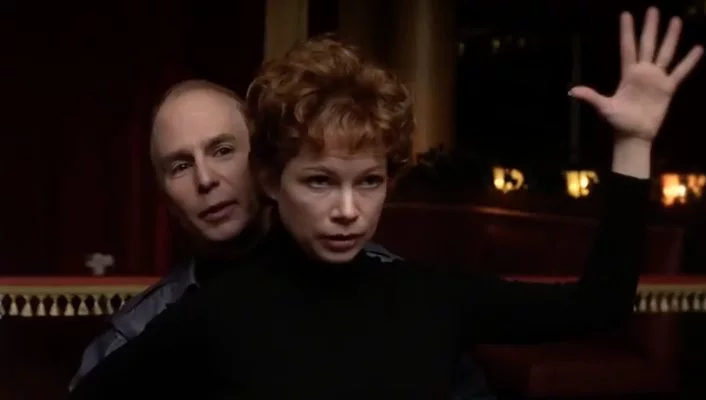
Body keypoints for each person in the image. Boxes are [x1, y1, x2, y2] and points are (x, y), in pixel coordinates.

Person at [70, 7, 702, 399]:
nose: (348, 210)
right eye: (320, 182)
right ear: (271, 180)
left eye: (368, 182)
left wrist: (633, 145)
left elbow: (600, 304)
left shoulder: (428, 296)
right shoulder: (217, 313)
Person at [69, 79, 493, 399]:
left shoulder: (391, 288)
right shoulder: (138, 330)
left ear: (266, 161)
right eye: (180, 166)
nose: (206, 179)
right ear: (165, 198)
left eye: (222, 150)